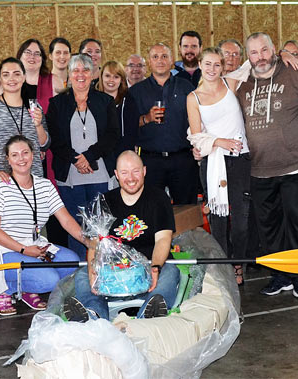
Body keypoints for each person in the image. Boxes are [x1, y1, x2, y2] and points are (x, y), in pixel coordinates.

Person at [237, 32, 298, 304]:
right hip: (260, 170)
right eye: (254, 52)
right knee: (269, 227)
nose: (260, 57)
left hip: (296, 168)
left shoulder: (296, 72)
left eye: (265, 50)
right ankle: (280, 275)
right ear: (248, 56)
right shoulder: (242, 82)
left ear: (274, 50)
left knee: (297, 224)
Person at [65, 151, 178, 321]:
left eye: (135, 171)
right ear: (116, 175)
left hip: (149, 267)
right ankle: (92, 313)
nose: (131, 178)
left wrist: (155, 268)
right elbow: (95, 243)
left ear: (144, 171)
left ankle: (149, 311)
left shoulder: (159, 198)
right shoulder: (105, 201)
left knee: (170, 271)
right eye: (124, 173)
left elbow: (163, 239)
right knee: (82, 274)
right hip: (113, 272)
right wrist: (92, 269)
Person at [0, 136, 84, 315]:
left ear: (33, 155)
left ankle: (27, 285)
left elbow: (66, 220)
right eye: (15, 155)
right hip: (2, 247)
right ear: (8, 159)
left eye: (25, 153)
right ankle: (7, 289)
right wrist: (23, 250)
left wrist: (91, 242)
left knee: (71, 264)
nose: (21, 159)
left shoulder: (45, 185)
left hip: (34, 244)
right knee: (49, 280)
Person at [186, 48, 252, 285]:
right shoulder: (193, 98)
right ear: (200, 65)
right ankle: (223, 268)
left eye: (217, 64)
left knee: (242, 219)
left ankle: (239, 263)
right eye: (208, 64)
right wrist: (218, 142)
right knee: (218, 219)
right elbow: (196, 137)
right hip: (214, 163)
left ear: (223, 67)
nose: (212, 69)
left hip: (241, 160)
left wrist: (284, 53)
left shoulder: (230, 83)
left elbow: (253, 62)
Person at [48, 54, 120, 255]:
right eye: (76, 70)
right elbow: (54, 139)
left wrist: (89, 156)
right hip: (70, 176)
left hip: (101, 175)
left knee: (102, 227)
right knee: (76, 231)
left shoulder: (105, 101)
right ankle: (79, 274)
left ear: (93, 74)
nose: (81, 75)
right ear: (69, 76)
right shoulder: (56, 104)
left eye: (85, 70)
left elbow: (113, 135)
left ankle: (104, 268)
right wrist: (76, 159)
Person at [127, 43, 197, 205]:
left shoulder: (186, 87)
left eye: (165, 56)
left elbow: (198, 119)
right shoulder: (136, 92)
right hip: (150, 161)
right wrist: (147, 118)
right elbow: (127, 126)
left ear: (172, 61)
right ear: (149, 63)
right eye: (155, 57)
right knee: (152, 210)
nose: (160, 60)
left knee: (187, 210)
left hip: (183, 159)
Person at [0, 57, 48, 180]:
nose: (12, 79)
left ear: (24, 77)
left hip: (33, 179)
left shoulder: (34, 107)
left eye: (16, 74)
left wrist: (38, 125)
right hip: (2, 180)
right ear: (0, 79)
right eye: (6, 75)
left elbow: (44, 144)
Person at [97, 60, 138, 187]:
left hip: (123, 159)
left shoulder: (129, 101)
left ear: (121, 80)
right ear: (101, 77)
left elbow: (132, 132)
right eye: (108, 76)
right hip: (99, 159)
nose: (111, 80)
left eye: (116, 76)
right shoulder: (93, 100)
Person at [18, 39, 54, 111]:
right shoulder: (10, 83)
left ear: (42, 59)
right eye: (28, 52)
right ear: (20, 56)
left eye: (37, 53)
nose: (32, 57)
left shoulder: (53, 81)